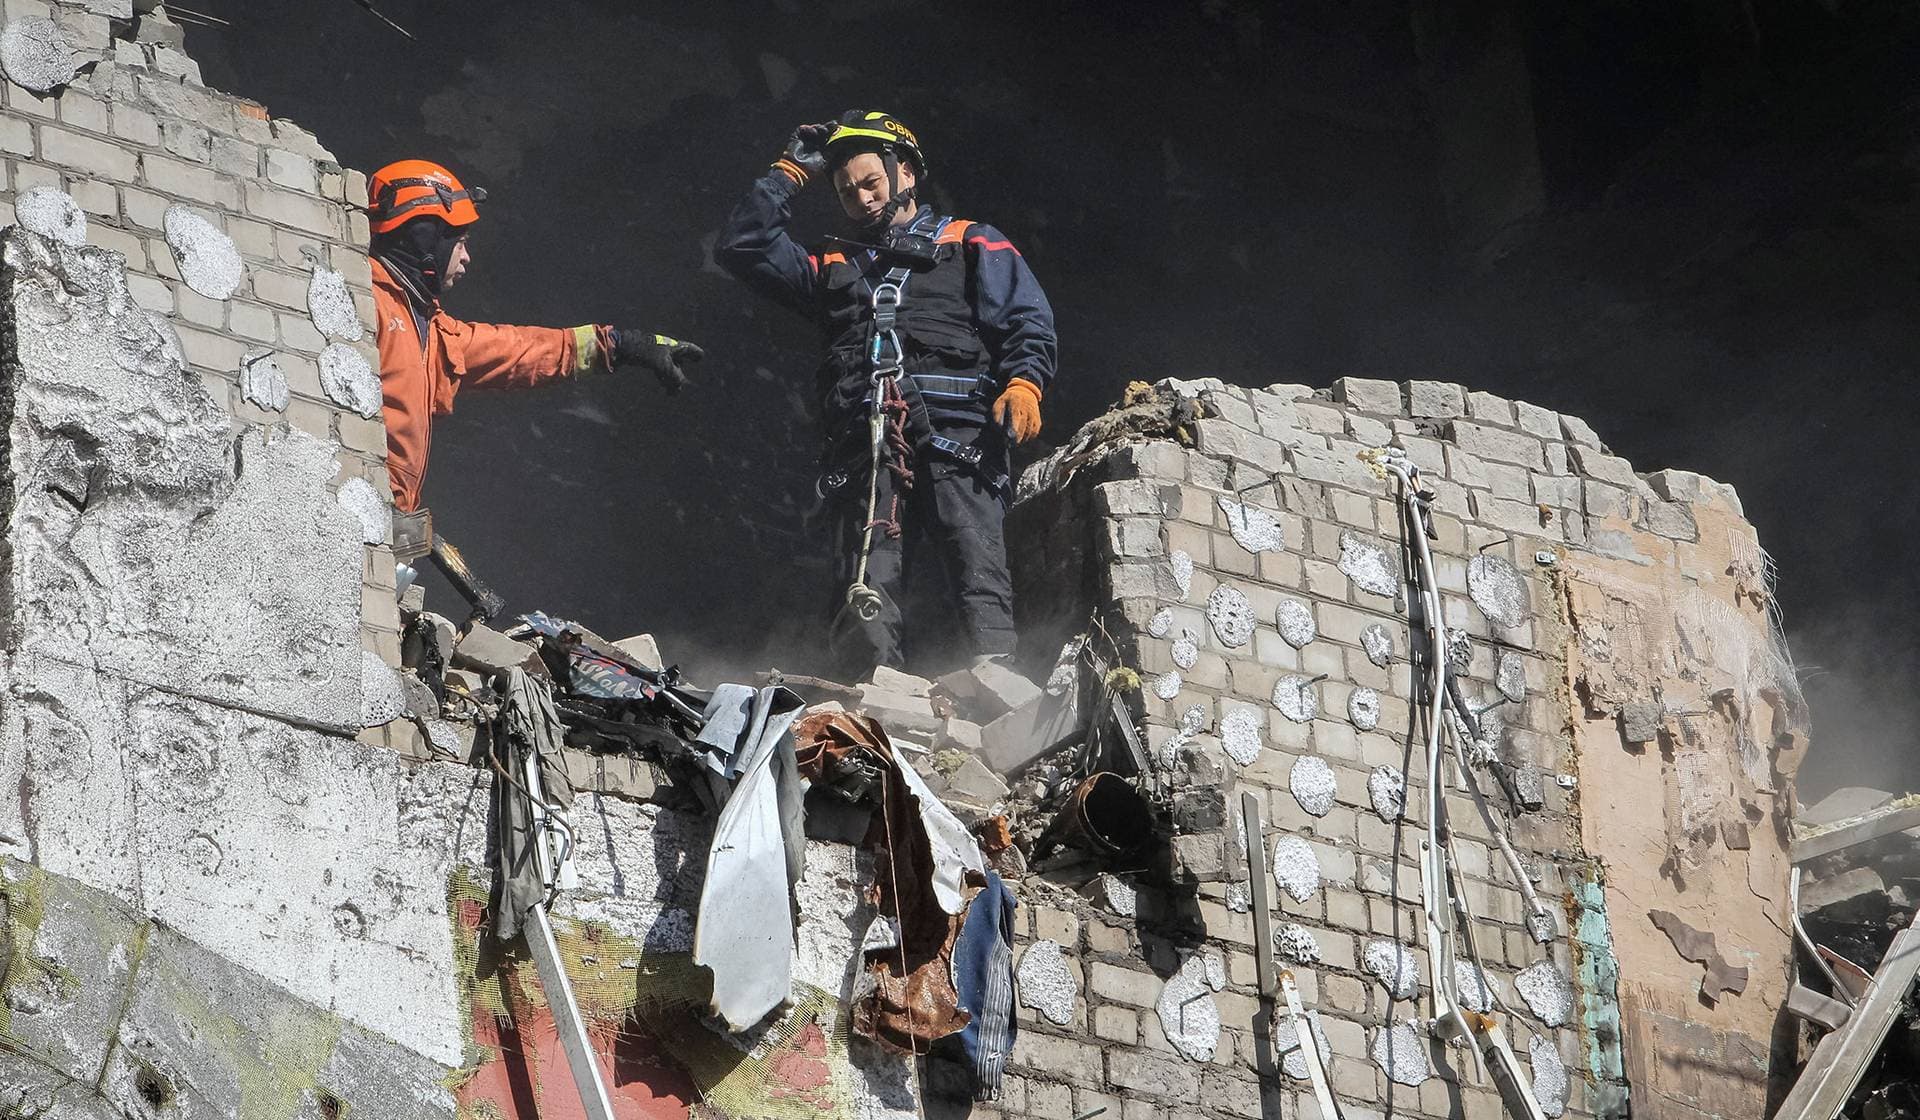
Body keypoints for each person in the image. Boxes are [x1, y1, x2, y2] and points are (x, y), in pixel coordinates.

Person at [717, 111, 1058, 673]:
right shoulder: (831, 266)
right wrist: (787, 174)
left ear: (906, 174)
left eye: (872, 182)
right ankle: (871, 700)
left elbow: (1026, 317)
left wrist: (1025, 383)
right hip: (865, 445)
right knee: (865, 578)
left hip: (958, 434)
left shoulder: (969, 240)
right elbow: (743, 247)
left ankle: (998, 685)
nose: (863, 199)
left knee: (976, 560)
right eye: (848, 192)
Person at [368, 158, 704, 513]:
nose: (466, 258)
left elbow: (514, 352)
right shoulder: (369, 303)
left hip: (374, 520)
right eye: (460, 241)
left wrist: (621, 346)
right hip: (355, 518)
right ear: (425, 237)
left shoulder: (425, 327)